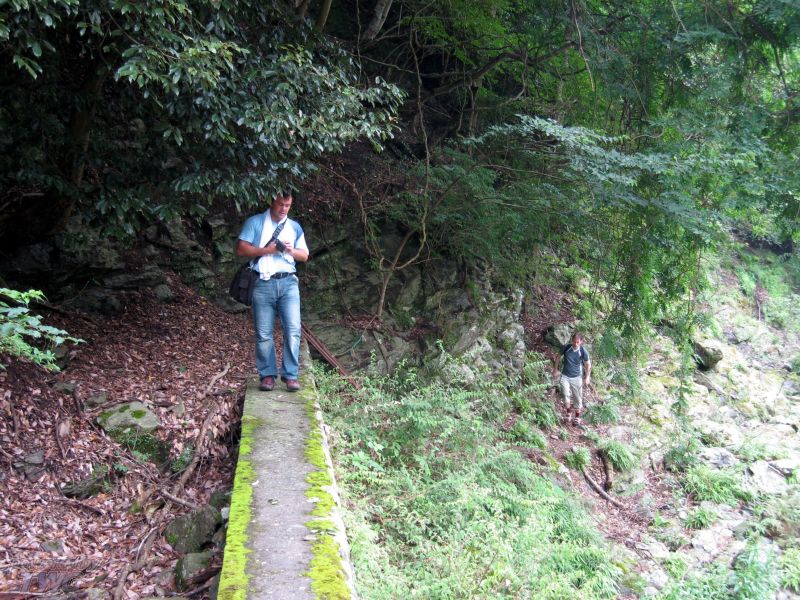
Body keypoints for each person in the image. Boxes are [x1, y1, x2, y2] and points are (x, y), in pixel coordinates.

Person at [236, 192, 309, 392]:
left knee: (293, 329)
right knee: (263, 333)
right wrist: (269, 250)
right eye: (280, 204)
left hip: (288, 283)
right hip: (262, 282)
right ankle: (267, 375)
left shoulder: (294, 227)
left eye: (287, 205)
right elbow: (241, 249)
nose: (284, 209)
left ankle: (290, 375)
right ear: (272, 202)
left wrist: (289, 250)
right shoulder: (255, 222)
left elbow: (304, 255)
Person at [553, 332, 591, 425]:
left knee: (577, 397)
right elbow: (558, 357)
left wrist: (587, 377)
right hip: (565, 376)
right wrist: (555, 369)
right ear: (571, 340)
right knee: (566, 394)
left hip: (577, 377)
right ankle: (569, 413)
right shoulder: (567, 347)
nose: (575, 344)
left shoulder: (582, 351)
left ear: (581, 342)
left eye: (578, 342)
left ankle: (577, 417)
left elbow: (588, 364)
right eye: (574, 342)